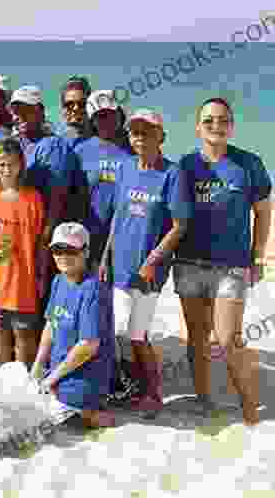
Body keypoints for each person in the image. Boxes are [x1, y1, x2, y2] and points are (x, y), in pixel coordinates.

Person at [175, 97, 270, 425]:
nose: (216, 126)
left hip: (231, 266)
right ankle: (203, 398)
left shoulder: (249, 164)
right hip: (188, 263)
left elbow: (263, 211)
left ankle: (249, 404)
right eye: (209, 120)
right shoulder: (185, 166)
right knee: (197, 336)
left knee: (228, 338)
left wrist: (257, 255)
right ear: (198, 127)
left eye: (223, 120)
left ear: (232, 125)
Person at [99, 109, 191, 417]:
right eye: (135, 131)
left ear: (161, 137)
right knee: (117, 330)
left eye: (147, 131)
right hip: (119, 264)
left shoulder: (172, 174)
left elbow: (179, 226)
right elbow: (117, 216)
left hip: (148, 269)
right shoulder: (124, 168)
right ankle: (128, 387)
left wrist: (152, 262)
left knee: (137, 333)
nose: (140, 136)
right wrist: (104, 258)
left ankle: (152, 392)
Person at [31, 222, 116, 429]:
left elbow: (88, 346)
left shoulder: (93, 290)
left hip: (81, 380)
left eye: (71, 250)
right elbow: (51, 324)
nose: (63, 256)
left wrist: (51, 379)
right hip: (57, 374)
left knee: (41, 427)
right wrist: (38, 366)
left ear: (85, 252)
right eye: (57, 250)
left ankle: (92, 412)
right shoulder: (58, 281)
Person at [0, 138, 46, 368]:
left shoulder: (32, 198)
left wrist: (41, 275)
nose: (6, 169)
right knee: (0, 330)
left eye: (11, 164)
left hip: (23, 278)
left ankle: (23, 379)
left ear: (21, 165)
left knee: (23, 333)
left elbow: (40, 243)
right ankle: (3, 375)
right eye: (1, 164)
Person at [8, 86, 79, 280]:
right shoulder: (15, 144)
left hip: (42, 239)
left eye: (25, 111)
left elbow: (57, 198)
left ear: (40, 112)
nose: (19, 116)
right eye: (16, 112)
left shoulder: (53, 145)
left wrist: (44, 240)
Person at [73, 90, 134, 267]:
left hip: (124, 241)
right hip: (87, 241)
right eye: (100, 116)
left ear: (119, 114)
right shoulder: (80, 151)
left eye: (110, 114)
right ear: (92, 119)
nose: (106, 120)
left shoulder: (135, 151)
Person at [56, 75, 94, 148]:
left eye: (81, 104)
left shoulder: (105, 141)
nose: (75, 108)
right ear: (62, 109)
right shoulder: (54, 144)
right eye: (69, 104)